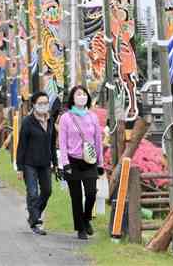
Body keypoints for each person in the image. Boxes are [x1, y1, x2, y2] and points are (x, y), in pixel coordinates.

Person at [58, 85, 103, 240]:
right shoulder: (66, 118)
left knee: (91, 193)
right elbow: (62, 143)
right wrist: (65, 164)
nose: (81, 97)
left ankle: (87, 218)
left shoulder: (93, 117)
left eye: (84, 94)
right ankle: (80, 228)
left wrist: (100, 163)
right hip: (73, 161)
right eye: (78, 94)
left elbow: (98, 141)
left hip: (89, 161)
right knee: (76, 197)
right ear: (72, 98)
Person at [16, 91, 57, 235]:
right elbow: (21, 146)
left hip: (45, 163)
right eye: (40, 103)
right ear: (34, 105)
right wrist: (19, 168)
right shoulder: (28, 122)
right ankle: (35, 221)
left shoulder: (50, 120)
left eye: (46, 103)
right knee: (33, 193)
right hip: (29, 164)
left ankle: (35, 213)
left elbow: (52, 143)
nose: (43, 106)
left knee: (47, 191)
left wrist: (55, 162)